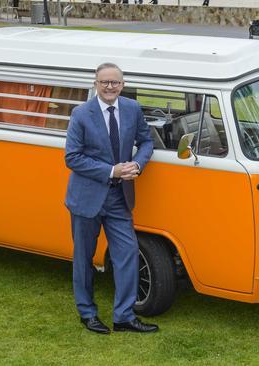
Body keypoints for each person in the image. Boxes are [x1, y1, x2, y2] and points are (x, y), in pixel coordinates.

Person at [65, 63, 156, 335]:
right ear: (95, 83)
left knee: (127, 253)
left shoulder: (132, 108)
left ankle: (124, 317)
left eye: (115, 82)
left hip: (119, 197)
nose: (109, 87)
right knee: (83, 258)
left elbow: (147, 141)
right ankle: (87, 313)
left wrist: (137, 165)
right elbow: (72, 157)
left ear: (122, 84)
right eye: (104, 82)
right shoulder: (80, 114)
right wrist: (111, 170)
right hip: (86, 199)